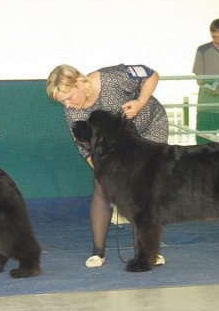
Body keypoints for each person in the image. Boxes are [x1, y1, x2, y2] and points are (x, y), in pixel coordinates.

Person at [47, 64, 169, 268]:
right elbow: (86, 149)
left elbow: (151, 74)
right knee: (101, 186)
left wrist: (140, 102)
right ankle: (98, 252)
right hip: (114, 145)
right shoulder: (73, 113)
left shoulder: (112, 78)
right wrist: (105, 174)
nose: (67, 105)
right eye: (62, 102)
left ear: (79, 83)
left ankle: (149, 252)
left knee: (145, 190)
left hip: (149, 126)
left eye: (68, 98)